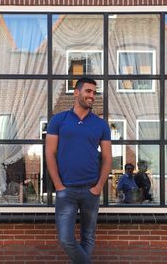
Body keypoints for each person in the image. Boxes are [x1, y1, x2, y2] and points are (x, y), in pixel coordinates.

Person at [45, 77, 112, 264]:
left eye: (94, 92)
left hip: (91, 190)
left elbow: (107, 158)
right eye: (88, 91)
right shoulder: (59, 120)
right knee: (66, 239)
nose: (92, 96)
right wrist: (58, 185)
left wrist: (98, 187)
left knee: (88, 237)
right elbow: (50, 153)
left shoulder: (100, 124)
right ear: (76, 92)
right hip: (66, 191)